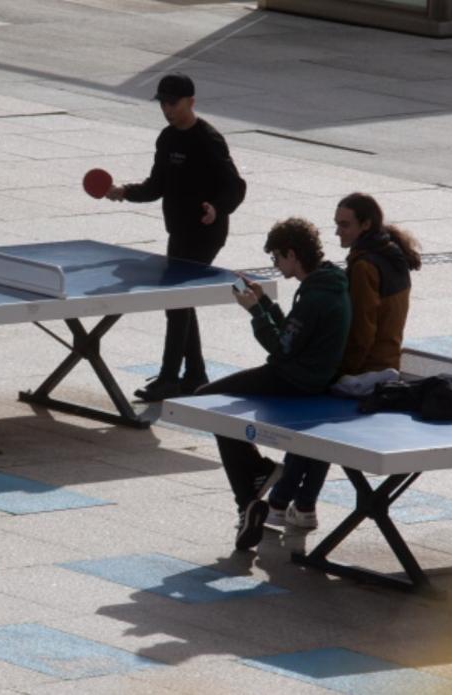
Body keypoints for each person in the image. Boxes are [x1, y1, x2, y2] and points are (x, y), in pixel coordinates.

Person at [265, 192, 422, 529]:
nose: (337, 231)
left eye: (345, 224)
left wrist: (338, 372)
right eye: (337, 224)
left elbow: (362, 329)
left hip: (364, 370)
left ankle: (280, 502)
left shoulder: (365, 266)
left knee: (310, 430)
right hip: (387, 363)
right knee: (321, 434)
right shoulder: (392, 256)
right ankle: (301, 505)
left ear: (366, 224)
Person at [195, 218, 351, 551]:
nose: (276, 265)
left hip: (293, 380)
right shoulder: (328, 284)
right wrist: (265, 303)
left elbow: (280, 349)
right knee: (214, 405)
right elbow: (294, 335)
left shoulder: (315, 297)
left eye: (277, 257)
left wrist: (255, 312)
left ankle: (252, 487)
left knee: (205, 400)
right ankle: (250, 495)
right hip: (309, 376)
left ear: (292, 254)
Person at [105, 72, 247, 401]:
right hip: (179, 231)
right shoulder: (167, 138)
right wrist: (125, 191)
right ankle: (195, 374)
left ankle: (170, 377)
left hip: (206, 233)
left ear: (190, 102)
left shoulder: (208, 139)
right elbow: (156, 186)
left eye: (173, 103)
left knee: (176, 302)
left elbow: (236, 185)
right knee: (181, 301)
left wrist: (218, 208)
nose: (167, 109)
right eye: (163, 103)